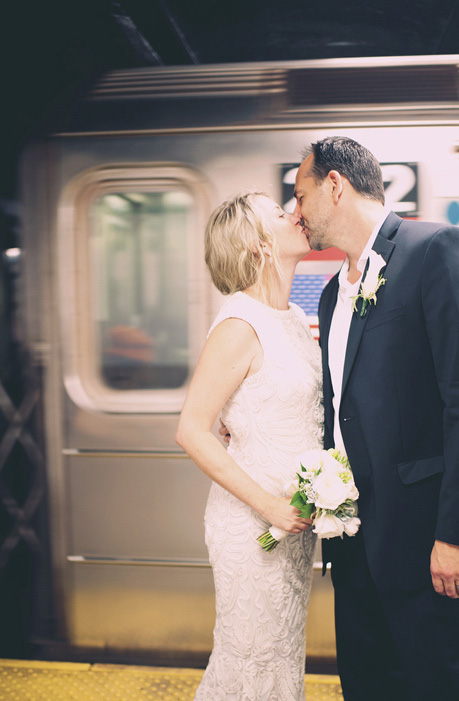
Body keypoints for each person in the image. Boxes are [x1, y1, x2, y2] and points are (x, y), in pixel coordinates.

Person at [292, 136, 459, 701]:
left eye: (300, 195)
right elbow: (341, 405)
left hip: (421, 541)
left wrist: (453, 536)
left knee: (432, 681)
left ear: (334, 184)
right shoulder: (330, 295)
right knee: (366, 684)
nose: (298, 213)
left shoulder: (432, 249)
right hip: (352, 542)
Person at [176, 192, 324, 700]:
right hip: (253, 525)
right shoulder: (240, 323)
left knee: (281, 654)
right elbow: (192, 429)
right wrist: (271, 507)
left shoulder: (293, 316)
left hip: (291, 523)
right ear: (259, 245)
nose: (296, 215)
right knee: (249, 657)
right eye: (281, 215)